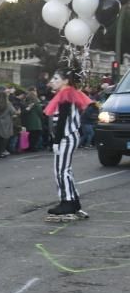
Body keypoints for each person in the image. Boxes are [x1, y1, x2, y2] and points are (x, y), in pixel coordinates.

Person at [44, 67, 92, 220]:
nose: (52, 81)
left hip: (66, 137)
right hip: (69, 136)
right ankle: (73, 201)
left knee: (61, 171)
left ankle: (67, 202)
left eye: (56, 79)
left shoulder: (65, 94)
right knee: (66, 170)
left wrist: (57, 141)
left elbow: (62, 120)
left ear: (65, 81)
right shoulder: (68, 92)